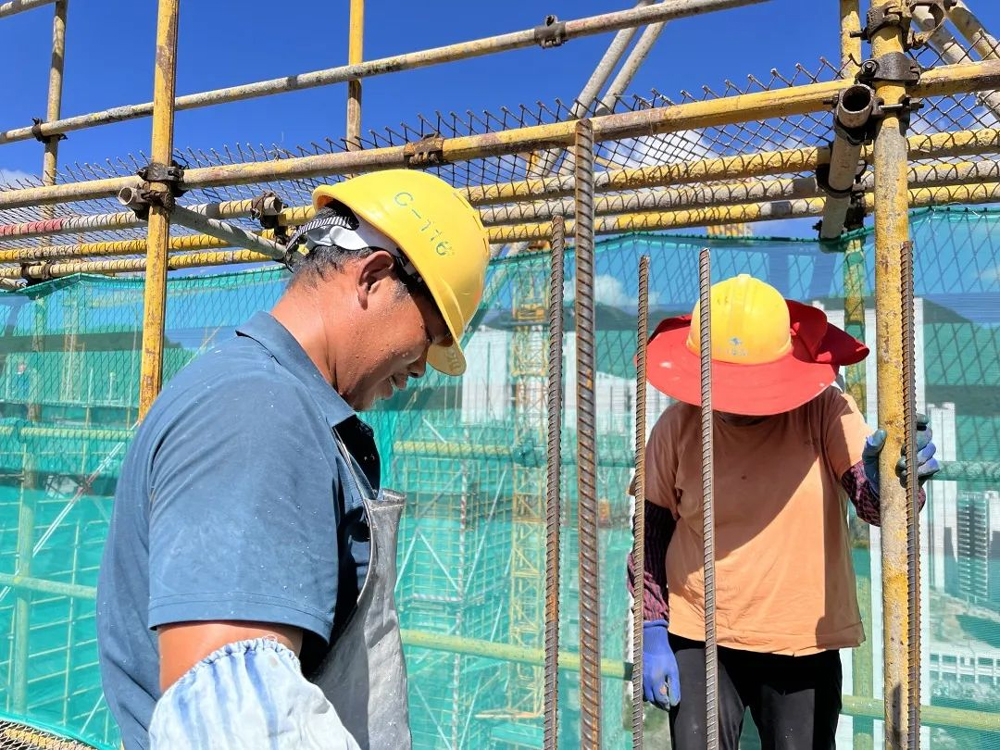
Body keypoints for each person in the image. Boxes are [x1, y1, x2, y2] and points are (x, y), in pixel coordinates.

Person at [96, 170, 490, 750]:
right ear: (375, 278)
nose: (422, 367)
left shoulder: (276, 400)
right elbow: (229, 725)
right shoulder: (257, 411)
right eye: (429, 334)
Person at [629, 274, 940, 750]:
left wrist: (891, 482)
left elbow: (872, 502)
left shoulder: (824, 411)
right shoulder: (677, 427)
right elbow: (650, 535)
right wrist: (652, 627)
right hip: (699, 629)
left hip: (801, 636)